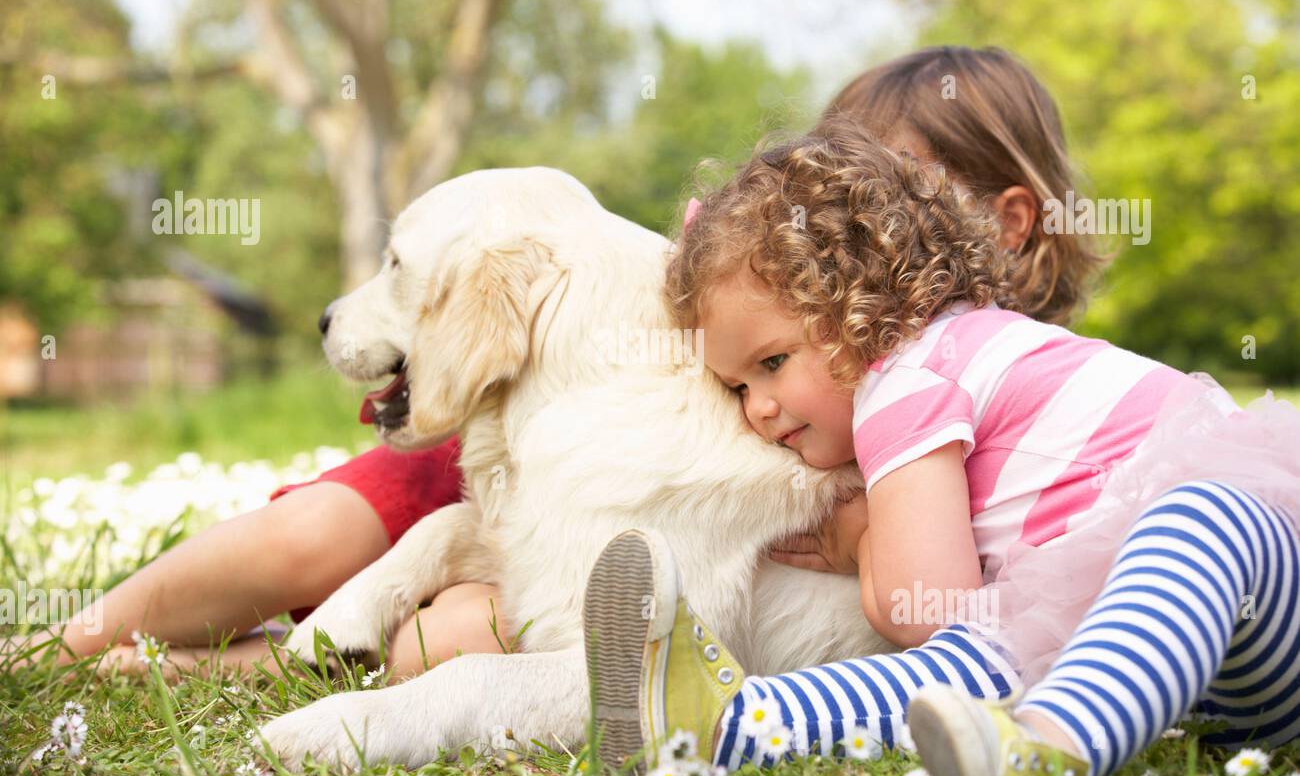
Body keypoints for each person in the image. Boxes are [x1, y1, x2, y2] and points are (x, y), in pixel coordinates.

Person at [0, 47, 1104, 689]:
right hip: (518, 436)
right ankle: (69, 634)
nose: (854, 230)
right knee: (312, 537)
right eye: (833, 199)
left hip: (612, 521)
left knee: (447, 637)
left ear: (1005, 224)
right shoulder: (829, 318)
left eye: (889, 197)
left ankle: (218, 667)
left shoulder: (978, 374)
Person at [582, 114, 1300, 776]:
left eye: (771, 363)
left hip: (1261, 603)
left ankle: (1052, 751)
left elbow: (929, 604)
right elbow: (957, 629)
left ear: (854, 300)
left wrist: (863, 540)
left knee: (1195, 519)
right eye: (736, 388)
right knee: (979, 660)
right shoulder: (945, 353)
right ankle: (723, 726)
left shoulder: (908, 379)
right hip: (1166, 681)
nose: (759, 409)